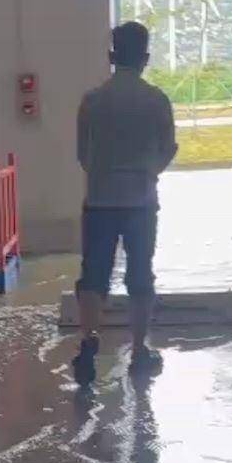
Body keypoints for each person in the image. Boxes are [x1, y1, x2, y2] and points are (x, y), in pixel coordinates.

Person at [72, 22, 178, 385]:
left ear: (111, 56)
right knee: (140, 275)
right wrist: (148, 173)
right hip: (141, 200)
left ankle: (88, 341)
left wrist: (102, 175)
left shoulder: (92, 100)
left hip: (99, 199)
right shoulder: (156, 100)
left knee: (93, 275)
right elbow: (167, 149)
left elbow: (82, 153)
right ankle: (139, 350)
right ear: (146, 57)